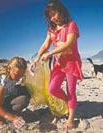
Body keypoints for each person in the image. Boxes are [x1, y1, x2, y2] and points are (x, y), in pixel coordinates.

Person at [30, 0, 83, 130]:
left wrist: (50, 54)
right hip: (59, 64)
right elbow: (45, 45)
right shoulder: (51, 30)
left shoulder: (71, 25)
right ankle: (69, 104)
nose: (53, 18)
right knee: (52, 88)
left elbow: (69, 44)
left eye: (54, 14)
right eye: (50, 16)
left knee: (71, 91)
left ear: (61, 11)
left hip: (71, 62)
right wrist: (36, 59)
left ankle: (70, 118)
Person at [0, 57, 30, 131]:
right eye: (17, 75)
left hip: (6, 96)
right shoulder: (2, 83)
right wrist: (13, 118)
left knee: (25, 89)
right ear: (9, 69)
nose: (19, 78)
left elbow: (17, 81)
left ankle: (10, 114)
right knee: (23, 100)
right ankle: (2, 119)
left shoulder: (13, 76)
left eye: (21, 75)